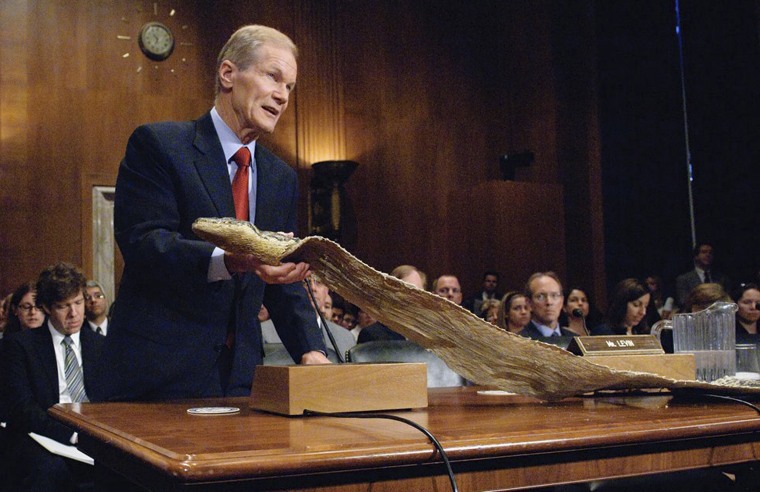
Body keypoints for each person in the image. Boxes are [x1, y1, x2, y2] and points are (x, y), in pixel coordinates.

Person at [93, 25, 329, 401]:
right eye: (273, 77)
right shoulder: (160, 145)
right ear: (228, 74)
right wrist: (233, 260)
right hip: (155, 380)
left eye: (290, 87)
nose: (282, 96)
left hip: (238, 381)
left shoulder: (281, 178)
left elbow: (281, 281)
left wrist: (311, 350)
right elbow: (145, 244)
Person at [1, 262, 104, 490]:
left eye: (78, 302)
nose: (74, 313)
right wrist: (72, 435)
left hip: (95, 433)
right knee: (52, 472)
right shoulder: (20, 346)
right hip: (41, 435)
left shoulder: (100, 346)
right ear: (46, 307)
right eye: (63, 306)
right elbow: (23, 409)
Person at [358, 265, 427, 343]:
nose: (415, 297)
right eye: (408, 290)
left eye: (420, 292)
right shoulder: (371, 335)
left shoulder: (429, 337)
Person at [519, 272, 576, 339]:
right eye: (540, 297)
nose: (549, 302)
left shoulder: (575, 340)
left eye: (554, 295)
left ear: (561, 301)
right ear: (529, 303)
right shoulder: (518, 342)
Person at [675, 243, 730, 309]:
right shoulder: (684, 279)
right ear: (696, 256)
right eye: (704, 252)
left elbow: (727, 300)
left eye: (710, 253)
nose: (708, 255)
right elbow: (683, 301)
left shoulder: (722, 278)